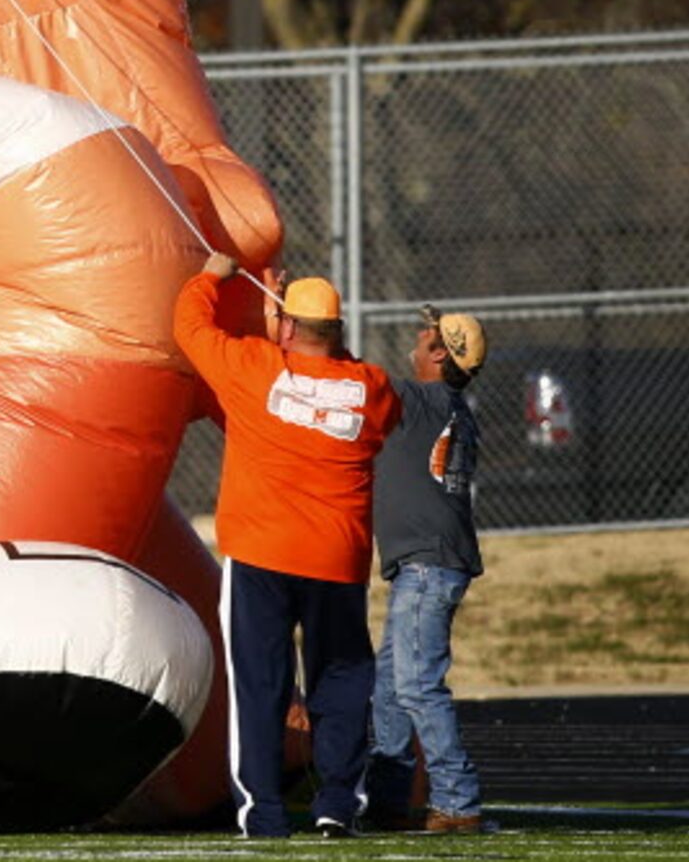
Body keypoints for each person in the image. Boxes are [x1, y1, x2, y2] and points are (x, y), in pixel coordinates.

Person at [175, 253, 400, 840]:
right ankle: (336, 804)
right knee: (342, 680)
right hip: (336, 558)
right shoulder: (371, 387)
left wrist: (212, 276)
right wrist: (301, 334)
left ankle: (265, 811)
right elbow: (364, 397)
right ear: (338, 332)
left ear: (288, 328)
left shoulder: (252, 367)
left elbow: (190, 326)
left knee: (260, 683)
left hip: (261, 555)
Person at [366, 306, 494, 835]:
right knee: (391, 688)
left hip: (427, 564)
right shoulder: (453, 406)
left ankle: (457, 801)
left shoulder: (418, 400)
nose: (419, 336)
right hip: (430, 562)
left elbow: (356, 382)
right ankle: (388, 800)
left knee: (416, 686)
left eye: (429, 333)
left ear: (440, 352)